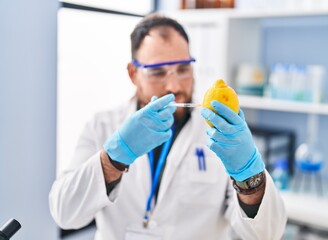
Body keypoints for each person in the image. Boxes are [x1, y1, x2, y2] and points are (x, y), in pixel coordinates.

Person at [49, 13, 287, 240]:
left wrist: (249, 176)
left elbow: (266, 234)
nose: (173, 85)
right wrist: (113, 159)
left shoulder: (223, 134)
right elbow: (65, 213)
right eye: (158, 72)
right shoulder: (102, 125)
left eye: (183, 69)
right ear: (133, 74)